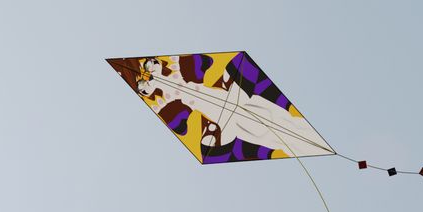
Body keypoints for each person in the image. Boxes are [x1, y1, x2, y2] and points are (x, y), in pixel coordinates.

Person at [135, 54, 333, 161]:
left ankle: (180, 89)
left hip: (241, 111)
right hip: (235, 118)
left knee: (288, 129)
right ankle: (179, 89)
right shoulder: (216, 140)